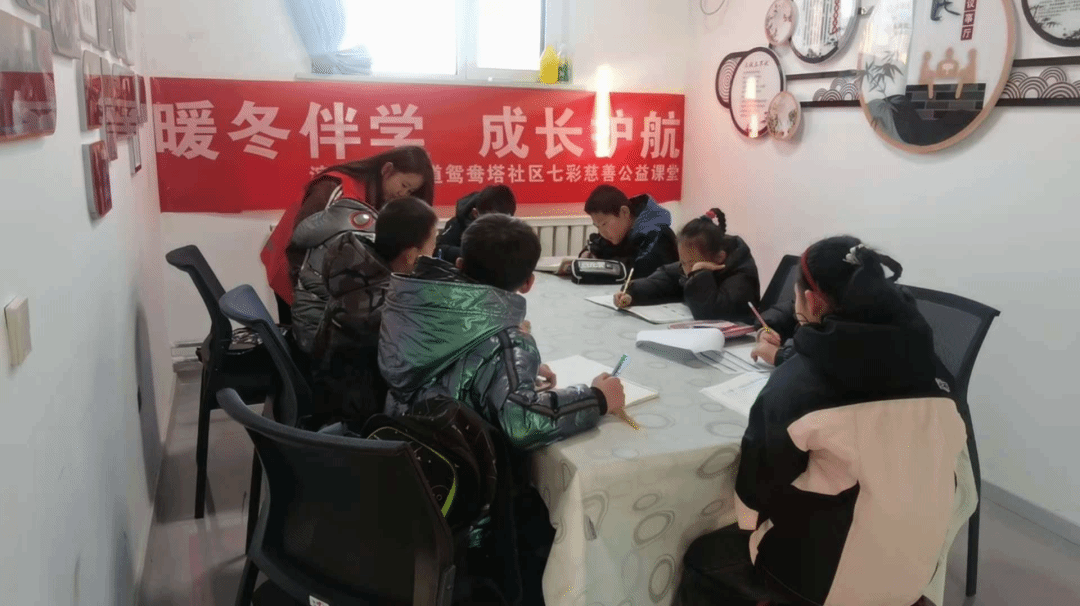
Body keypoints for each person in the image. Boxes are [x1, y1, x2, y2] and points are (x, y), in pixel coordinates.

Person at [675, 236, 967, 606]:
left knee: (702, 555)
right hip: (920, 572)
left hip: (834, 585)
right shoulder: (935, 371)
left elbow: (757, 493)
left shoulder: (797, 385)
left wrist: (750, 526)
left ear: (811, 302)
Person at [379, 214, 628, 604]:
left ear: (459, 263)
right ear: (528, 283)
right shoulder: (506, 341)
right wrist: (596, 398)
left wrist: (512, 372)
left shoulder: (410, 302)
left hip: (404, 467)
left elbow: (450, 363)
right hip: (467, 504)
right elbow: (524, 422)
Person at [260, 145, 435, 324]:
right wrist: (307, 297)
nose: (403, 193)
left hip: (321, 283)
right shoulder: (336, 188)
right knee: (300, 332)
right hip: (291, 271)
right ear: (387, 169)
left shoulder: (376, 196)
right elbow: (302, 242)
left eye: (410, 191)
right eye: (404, 185)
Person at [309, 197, 439, 423]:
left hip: (333, 405)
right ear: (412, 255)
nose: (435, 253)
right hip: (364, 425)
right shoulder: (388, 309)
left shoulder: (359, 276)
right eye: (433, 245)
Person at [613, 208, 759, 321]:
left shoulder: (741, 274)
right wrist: (632, 293)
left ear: (720, 257)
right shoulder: (689, 265)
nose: (687, 270)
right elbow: (666, 278)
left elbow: (709, 314)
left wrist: (699, 274)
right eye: (683, 262)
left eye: (693, 264)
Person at [580, 185, 678, 278]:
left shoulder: (658, 234)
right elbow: (598, 245)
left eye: (604, 224)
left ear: (624, 212)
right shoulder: (621, 231)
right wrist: (588, 253)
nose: (602, 233)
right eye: (597, 226)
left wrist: (599, 264)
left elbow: (637, 271)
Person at [435, 184, 517, 263]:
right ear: (475, 214)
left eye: (502, 223)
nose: (496, 229)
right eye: (490, 223)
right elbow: (437, 250)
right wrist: (468, 255)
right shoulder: (458, 224)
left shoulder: (515, 230)